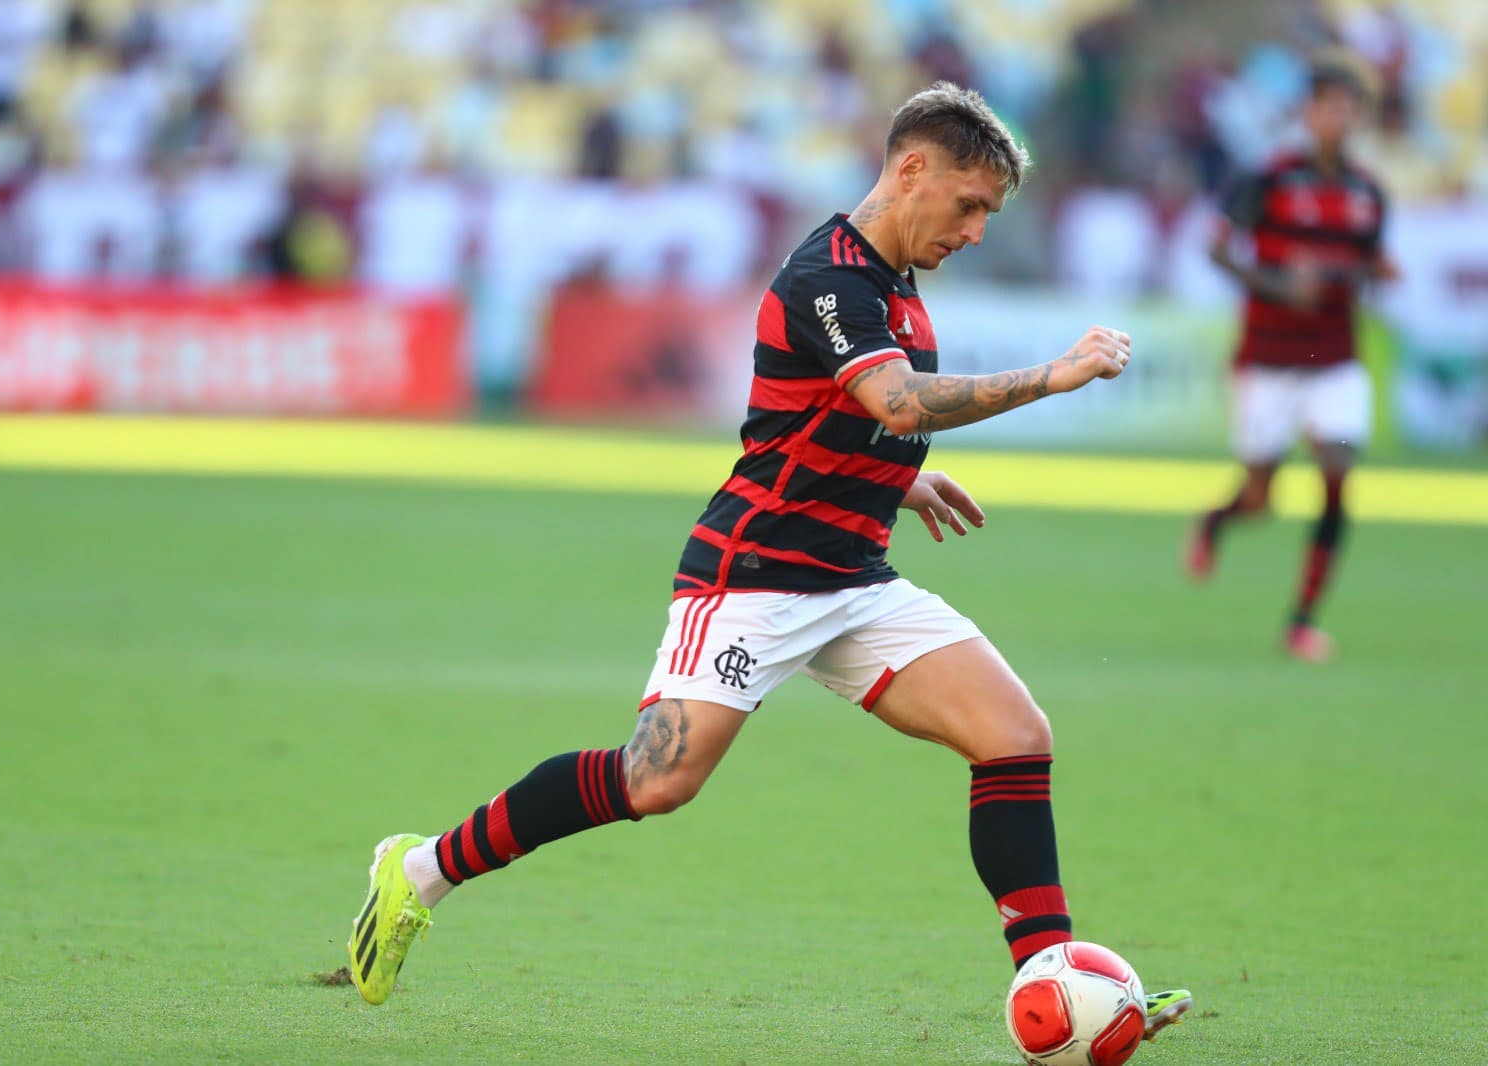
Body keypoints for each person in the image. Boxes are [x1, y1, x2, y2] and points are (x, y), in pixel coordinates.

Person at [346, 81, 1193, 1042]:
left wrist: (895, 481)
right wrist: (1056, 373)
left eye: (989, 215)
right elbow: (898, 402)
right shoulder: (827, 275)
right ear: (911, 169)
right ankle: (419, 870)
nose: (976, 231)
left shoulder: (898, 278)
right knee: (655, 781)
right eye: (970, 205)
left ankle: (1061, 986)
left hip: (854, 577)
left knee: (1014, 735)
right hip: (752, 575)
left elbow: (823, 409)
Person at [1193, 52, 1396, 662]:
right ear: (1307, 112)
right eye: (1327, 105)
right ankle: (1216, 520)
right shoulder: (1270, 178)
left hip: (1334, 357)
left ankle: (1302, 620)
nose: (1337, 117)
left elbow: (1368, 264)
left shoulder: (1368, 192)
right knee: (1259, 499)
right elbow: (1219, 250)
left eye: (1347, 107)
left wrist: (1373, 272)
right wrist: (1281, 284)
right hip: (1270, 356)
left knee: (1337, 473)